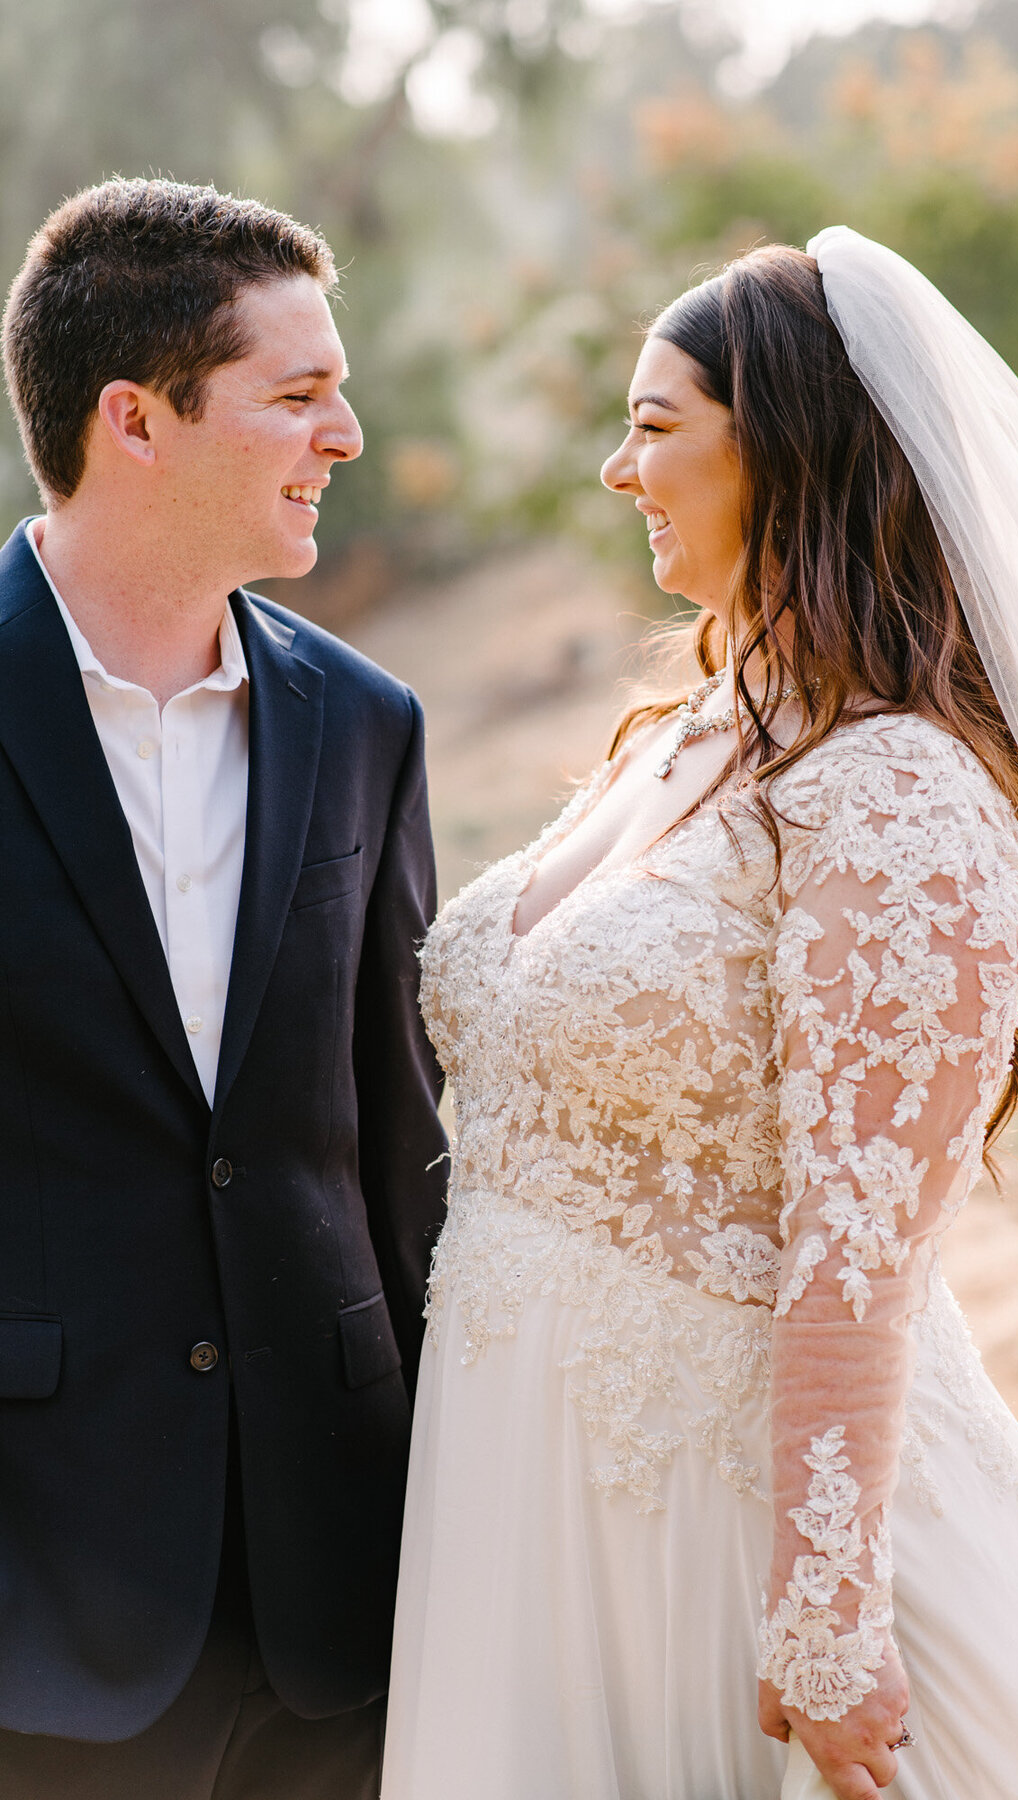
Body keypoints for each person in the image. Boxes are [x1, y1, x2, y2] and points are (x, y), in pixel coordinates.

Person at [382, 234, 1018, 1800]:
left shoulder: (896, 792)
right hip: (526, 1479)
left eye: (656, 422)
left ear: (790, 443)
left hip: (724, 1507)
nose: (620, 468)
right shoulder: (693, 734)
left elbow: (859, 1244)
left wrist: (825, 1605)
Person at [0, 178, 446, 1799]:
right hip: (43, 1593)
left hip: (337, 1583)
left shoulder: (366, 722)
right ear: (137, 418)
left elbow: (400, 1146)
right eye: (298, 394)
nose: (343, 434)